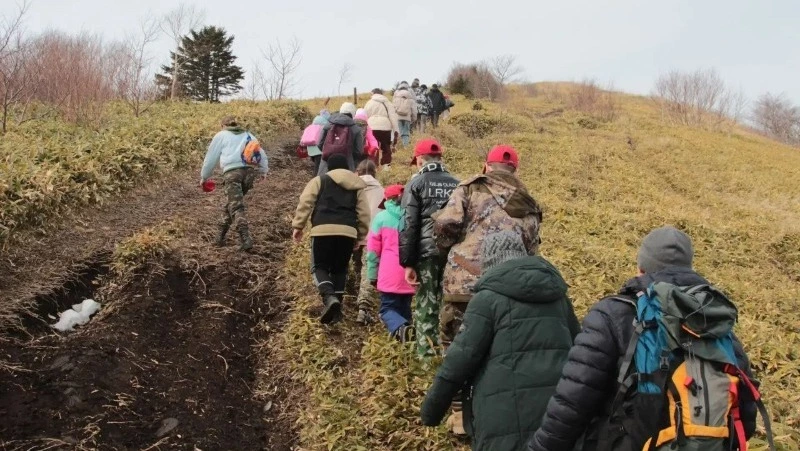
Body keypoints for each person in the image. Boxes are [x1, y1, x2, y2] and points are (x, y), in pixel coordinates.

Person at [528, 226, 760, 451]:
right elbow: (746, 416)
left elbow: (572, 402)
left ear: (641, 268)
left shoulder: (613, 314)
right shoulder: (714, 322)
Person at [421, 231, 579, 450]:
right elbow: (580, 354)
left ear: (489, 262)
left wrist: (431, 411)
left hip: (502, 418)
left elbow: (459, 361)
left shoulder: (486, 300)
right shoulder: (558, 296)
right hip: (557, 416)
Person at [434, 145, 542, 351]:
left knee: (456, 350)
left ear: (486, 167)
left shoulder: (469, 188)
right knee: (497, 350)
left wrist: (446, 252)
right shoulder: (528, 203)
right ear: (514, 170)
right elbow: (530, 250)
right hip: (508, 290)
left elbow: (445, 225)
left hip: (463, 285)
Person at [291, 154, 371, 324]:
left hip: (322, 230)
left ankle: (329, 297)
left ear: (329, 168)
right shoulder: (357, 186)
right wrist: (361, 235)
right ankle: (337, 311)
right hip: (347, 232)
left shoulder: (320, 181)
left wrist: (298, 226)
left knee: (319, 266)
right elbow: (364, 213)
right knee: (340, 269)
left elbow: (305, 202)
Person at [399, 138, 459, 359]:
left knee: (426, 305)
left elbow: (408, 225)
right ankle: (450, 358)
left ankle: (426, 360)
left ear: (420, 160)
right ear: (440, 159)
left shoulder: (415, 184)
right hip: (455, 256)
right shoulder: (458, 183)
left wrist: (407, 262)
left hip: (426, 255)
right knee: (451, 305)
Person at [201, 115, 268, 251]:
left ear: (223, 125)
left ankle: (246, 239)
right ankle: (219, 237)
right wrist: (263, 170)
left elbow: (211, 157)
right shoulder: (249, 135)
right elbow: (261, 152)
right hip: (249, 173)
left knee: (236, 207)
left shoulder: (221, 135)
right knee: (232, 204)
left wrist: (204, 176)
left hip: (232, 173)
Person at [366, 184, 417, 341]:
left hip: (389, 273)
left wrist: (372, 275)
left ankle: (403, 330)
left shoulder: (381, 218)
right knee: (404, 308)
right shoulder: (413, 217)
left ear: (387, 199)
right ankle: (408, 341)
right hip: (411, 272)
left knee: (387, 309)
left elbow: (373, 252)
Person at [351, 159, 384, 325]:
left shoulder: (351, 188)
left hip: (352, 232)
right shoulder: (382, 190)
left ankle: (347, 293)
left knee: (352, 264)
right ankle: (363, 307)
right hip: (373, 236)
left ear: (357, 172)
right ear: (374, 172)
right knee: (368, 268)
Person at [317, 102, 364, 175]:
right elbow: (358, 151)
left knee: (325, 184)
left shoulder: (328, 125)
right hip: (347, 167)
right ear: (353, 114)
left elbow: (319, 144)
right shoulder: (356, 129)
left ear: (340, 111)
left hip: (326, 166)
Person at [364, 88, 399, 168]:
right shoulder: (387, 103)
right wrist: (396, 130)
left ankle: (373, 166)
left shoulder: (369, 103)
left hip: (372, 127)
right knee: (386, 147)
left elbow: (365, 116)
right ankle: (386, 166)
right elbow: (393, 117)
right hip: (385, 127)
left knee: (374, 147)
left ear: (373, 93)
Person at [392, 81, 418, 147]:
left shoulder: (396, 97)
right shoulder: (410, 97)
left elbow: (393, 108)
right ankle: (406, 147)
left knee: (399, 132)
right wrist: (413, 119)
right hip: (407, 118)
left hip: (398, 117)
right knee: (406, 133)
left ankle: (398, 146)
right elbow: (414, 110)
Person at [306, 109, 330, 175]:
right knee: (318, 168)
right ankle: (316, 181)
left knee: (316, 165)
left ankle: (316, 178)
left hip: (310, 148)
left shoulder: (313, 123)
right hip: (319, 149)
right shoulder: (325, 125)